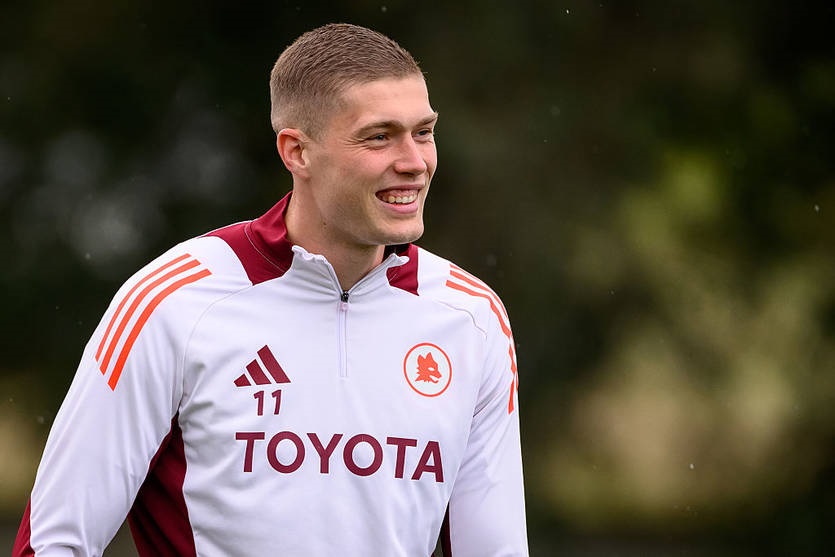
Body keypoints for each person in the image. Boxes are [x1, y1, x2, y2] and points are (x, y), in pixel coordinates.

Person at [13, 23, 528, 556]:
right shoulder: (174, 301)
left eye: (423, 132)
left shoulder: (471, 316)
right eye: (379, 136)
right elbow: (53, 542)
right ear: (296, 151)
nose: (414, 162)